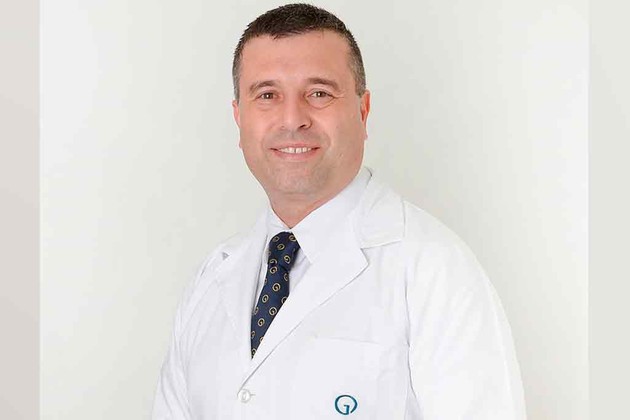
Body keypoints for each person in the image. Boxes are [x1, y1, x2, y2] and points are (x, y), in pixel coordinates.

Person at [153, 4, 526, 419]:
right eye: (267, 95)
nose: (292, 120)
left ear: (362, 112)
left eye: (319, 93)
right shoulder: (211, 279)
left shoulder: (434, 271)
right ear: (239, 116)